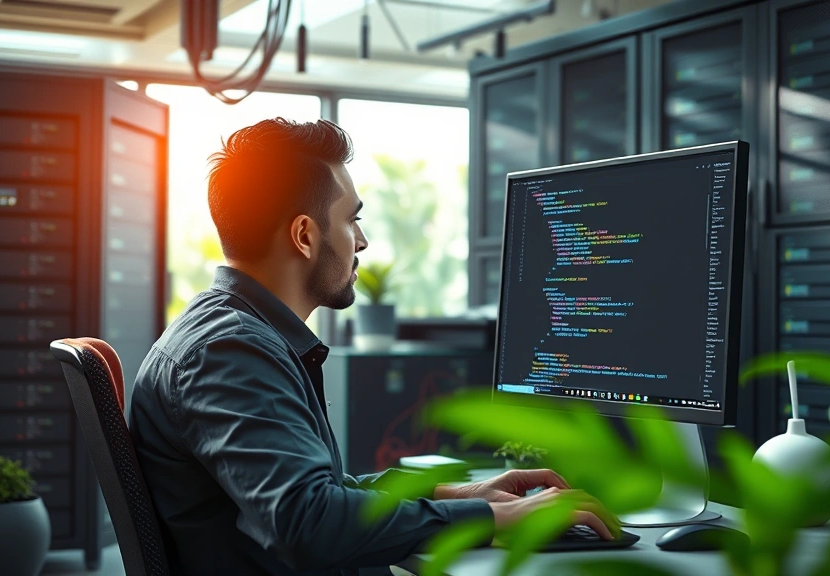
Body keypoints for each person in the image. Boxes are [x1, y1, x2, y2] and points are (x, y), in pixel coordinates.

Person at [128, 118, 618, 576]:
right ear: (304, 235)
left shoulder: (236, 335)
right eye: (352, 220)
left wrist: (462, 493)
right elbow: (308, 521)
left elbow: (317, 493)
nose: (361, 241)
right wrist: (497, 519)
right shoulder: (230, 351)